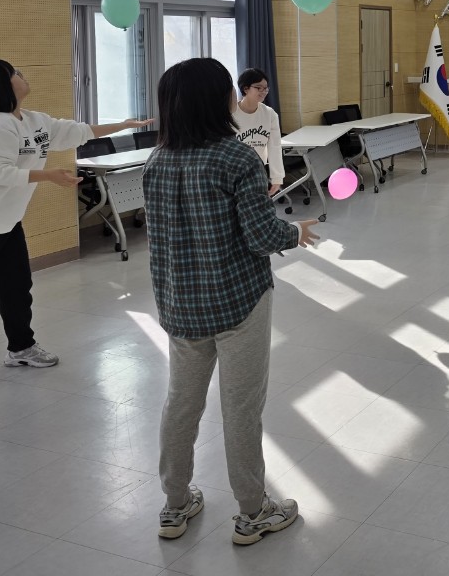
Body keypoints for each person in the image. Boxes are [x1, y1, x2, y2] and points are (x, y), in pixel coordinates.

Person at [143, 58, 320, 546]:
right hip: (239, 301)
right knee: (241, 407)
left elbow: (162, 238)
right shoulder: (235, 159)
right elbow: (261, 235)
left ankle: (174, 505)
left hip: (180, 303)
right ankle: (252, 512)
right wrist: (296, 231)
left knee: (181, 403)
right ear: (215, 99)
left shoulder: (157, 161)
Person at [0, 60, 150, 398]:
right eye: (15, 73)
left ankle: (21, 348)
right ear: (1, 85)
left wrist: (123, 125)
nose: (23, 76)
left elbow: (76, 131)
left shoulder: (34, 121)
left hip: (5, 223)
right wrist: (48, 175)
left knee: (16, 288)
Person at [233, 68, 284, 196]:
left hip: (257, 171)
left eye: (266, 88)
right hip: (234, 172)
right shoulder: (231, 114)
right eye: (258, 88)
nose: (263, 92)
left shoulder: (270, 114)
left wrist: (277, 177)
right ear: (245, 88)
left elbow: (274, 146)